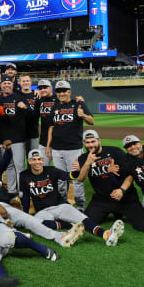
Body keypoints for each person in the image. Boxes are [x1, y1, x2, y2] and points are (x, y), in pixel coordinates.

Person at [20, 149, 124, 247]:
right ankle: (70, 227)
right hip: (43, 211)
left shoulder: (51, 171)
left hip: (60, 205)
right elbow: (25, 196)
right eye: (33, 159)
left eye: (39, 159)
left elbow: (70, 175)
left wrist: (82, 167)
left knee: (83, 219)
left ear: (43, 160)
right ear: (29, 161)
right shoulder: (24, 175)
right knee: (37, 223)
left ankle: (106, 234)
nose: (37, 162)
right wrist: (24, 214)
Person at [74, 130, 144, 232]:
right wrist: (87, 163)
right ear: (84, 143)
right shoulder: (83, 158)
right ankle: (114, 212)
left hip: (125, 197)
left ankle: (118, 212)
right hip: (102, 200)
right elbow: (80, 179)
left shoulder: (114, 152)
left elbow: (131, 173)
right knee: (85, 225)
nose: (90, 145)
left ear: (99, 140)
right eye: (87, 142)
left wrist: (122, 190)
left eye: (93, 141)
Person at [45, 81, 93, 211]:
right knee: (60, 180)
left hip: (73, 150)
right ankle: (63, 204)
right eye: (59, 91)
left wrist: (83, 115)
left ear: (69, 92)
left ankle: (80, 206)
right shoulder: (54, 107)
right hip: (56, 150)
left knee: (77, 179)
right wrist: (48, 146)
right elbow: (51, 128)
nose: (62, 93)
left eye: (64, 90)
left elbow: (92, 121)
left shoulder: (78, 103)